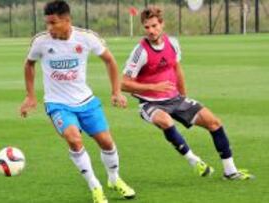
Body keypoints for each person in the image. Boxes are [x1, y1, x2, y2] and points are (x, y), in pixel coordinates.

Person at [20, 1, 135, 202]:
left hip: (86, 100)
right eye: (47, 23)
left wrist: (116, 91)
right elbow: (29, 64)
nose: (49, 28)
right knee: (74, 139)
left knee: (107, 143)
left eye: (53, 23)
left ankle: (114, 179)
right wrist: (30, 95)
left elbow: (110, 60)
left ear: (67, 20)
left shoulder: (86, 38)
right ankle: (95, 187)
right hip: (57, 104)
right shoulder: (41, 42)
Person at [121, 6, 254, 180]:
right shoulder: (140, 52)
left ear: (162, 24)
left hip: (175, 98)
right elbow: (123, 84)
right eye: (147, 27)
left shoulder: (173, 43)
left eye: (154, 26)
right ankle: (194, 161)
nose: (151, 31)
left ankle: (230, 171)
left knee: (214, 122)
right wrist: (153, 88)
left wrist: (183, 95)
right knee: (166, 121)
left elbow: (177, 69)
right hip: (150, 103)